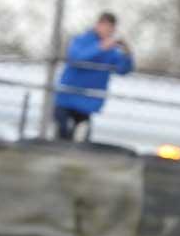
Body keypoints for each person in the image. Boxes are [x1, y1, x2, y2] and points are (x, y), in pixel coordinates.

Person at [54, 12, 134, 141]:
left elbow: (123, 70)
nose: (108, 31)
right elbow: (76, 58)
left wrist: (127, 53)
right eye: (105, 26)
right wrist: (100, 47)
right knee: (62, 137)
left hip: (87, 105)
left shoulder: (112, 51)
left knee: (81, 141)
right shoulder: (81, 40)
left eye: (111, 28)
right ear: (98, 25)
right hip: (66, 99)